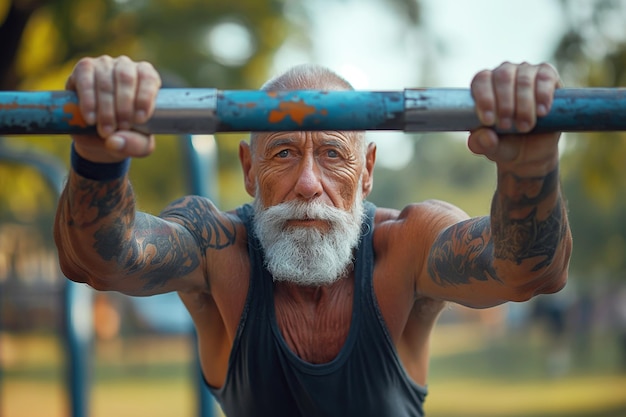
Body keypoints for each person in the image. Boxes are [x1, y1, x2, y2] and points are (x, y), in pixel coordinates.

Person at [54, 55, 572, 417]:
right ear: (249, 169)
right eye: (282, 153)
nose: (307, 184)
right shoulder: (218, 248)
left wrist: (532, 170)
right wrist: (98, 158)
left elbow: (524, 269)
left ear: (367, 170)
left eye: (331, 154)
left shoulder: (406, 245)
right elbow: (104, 260)